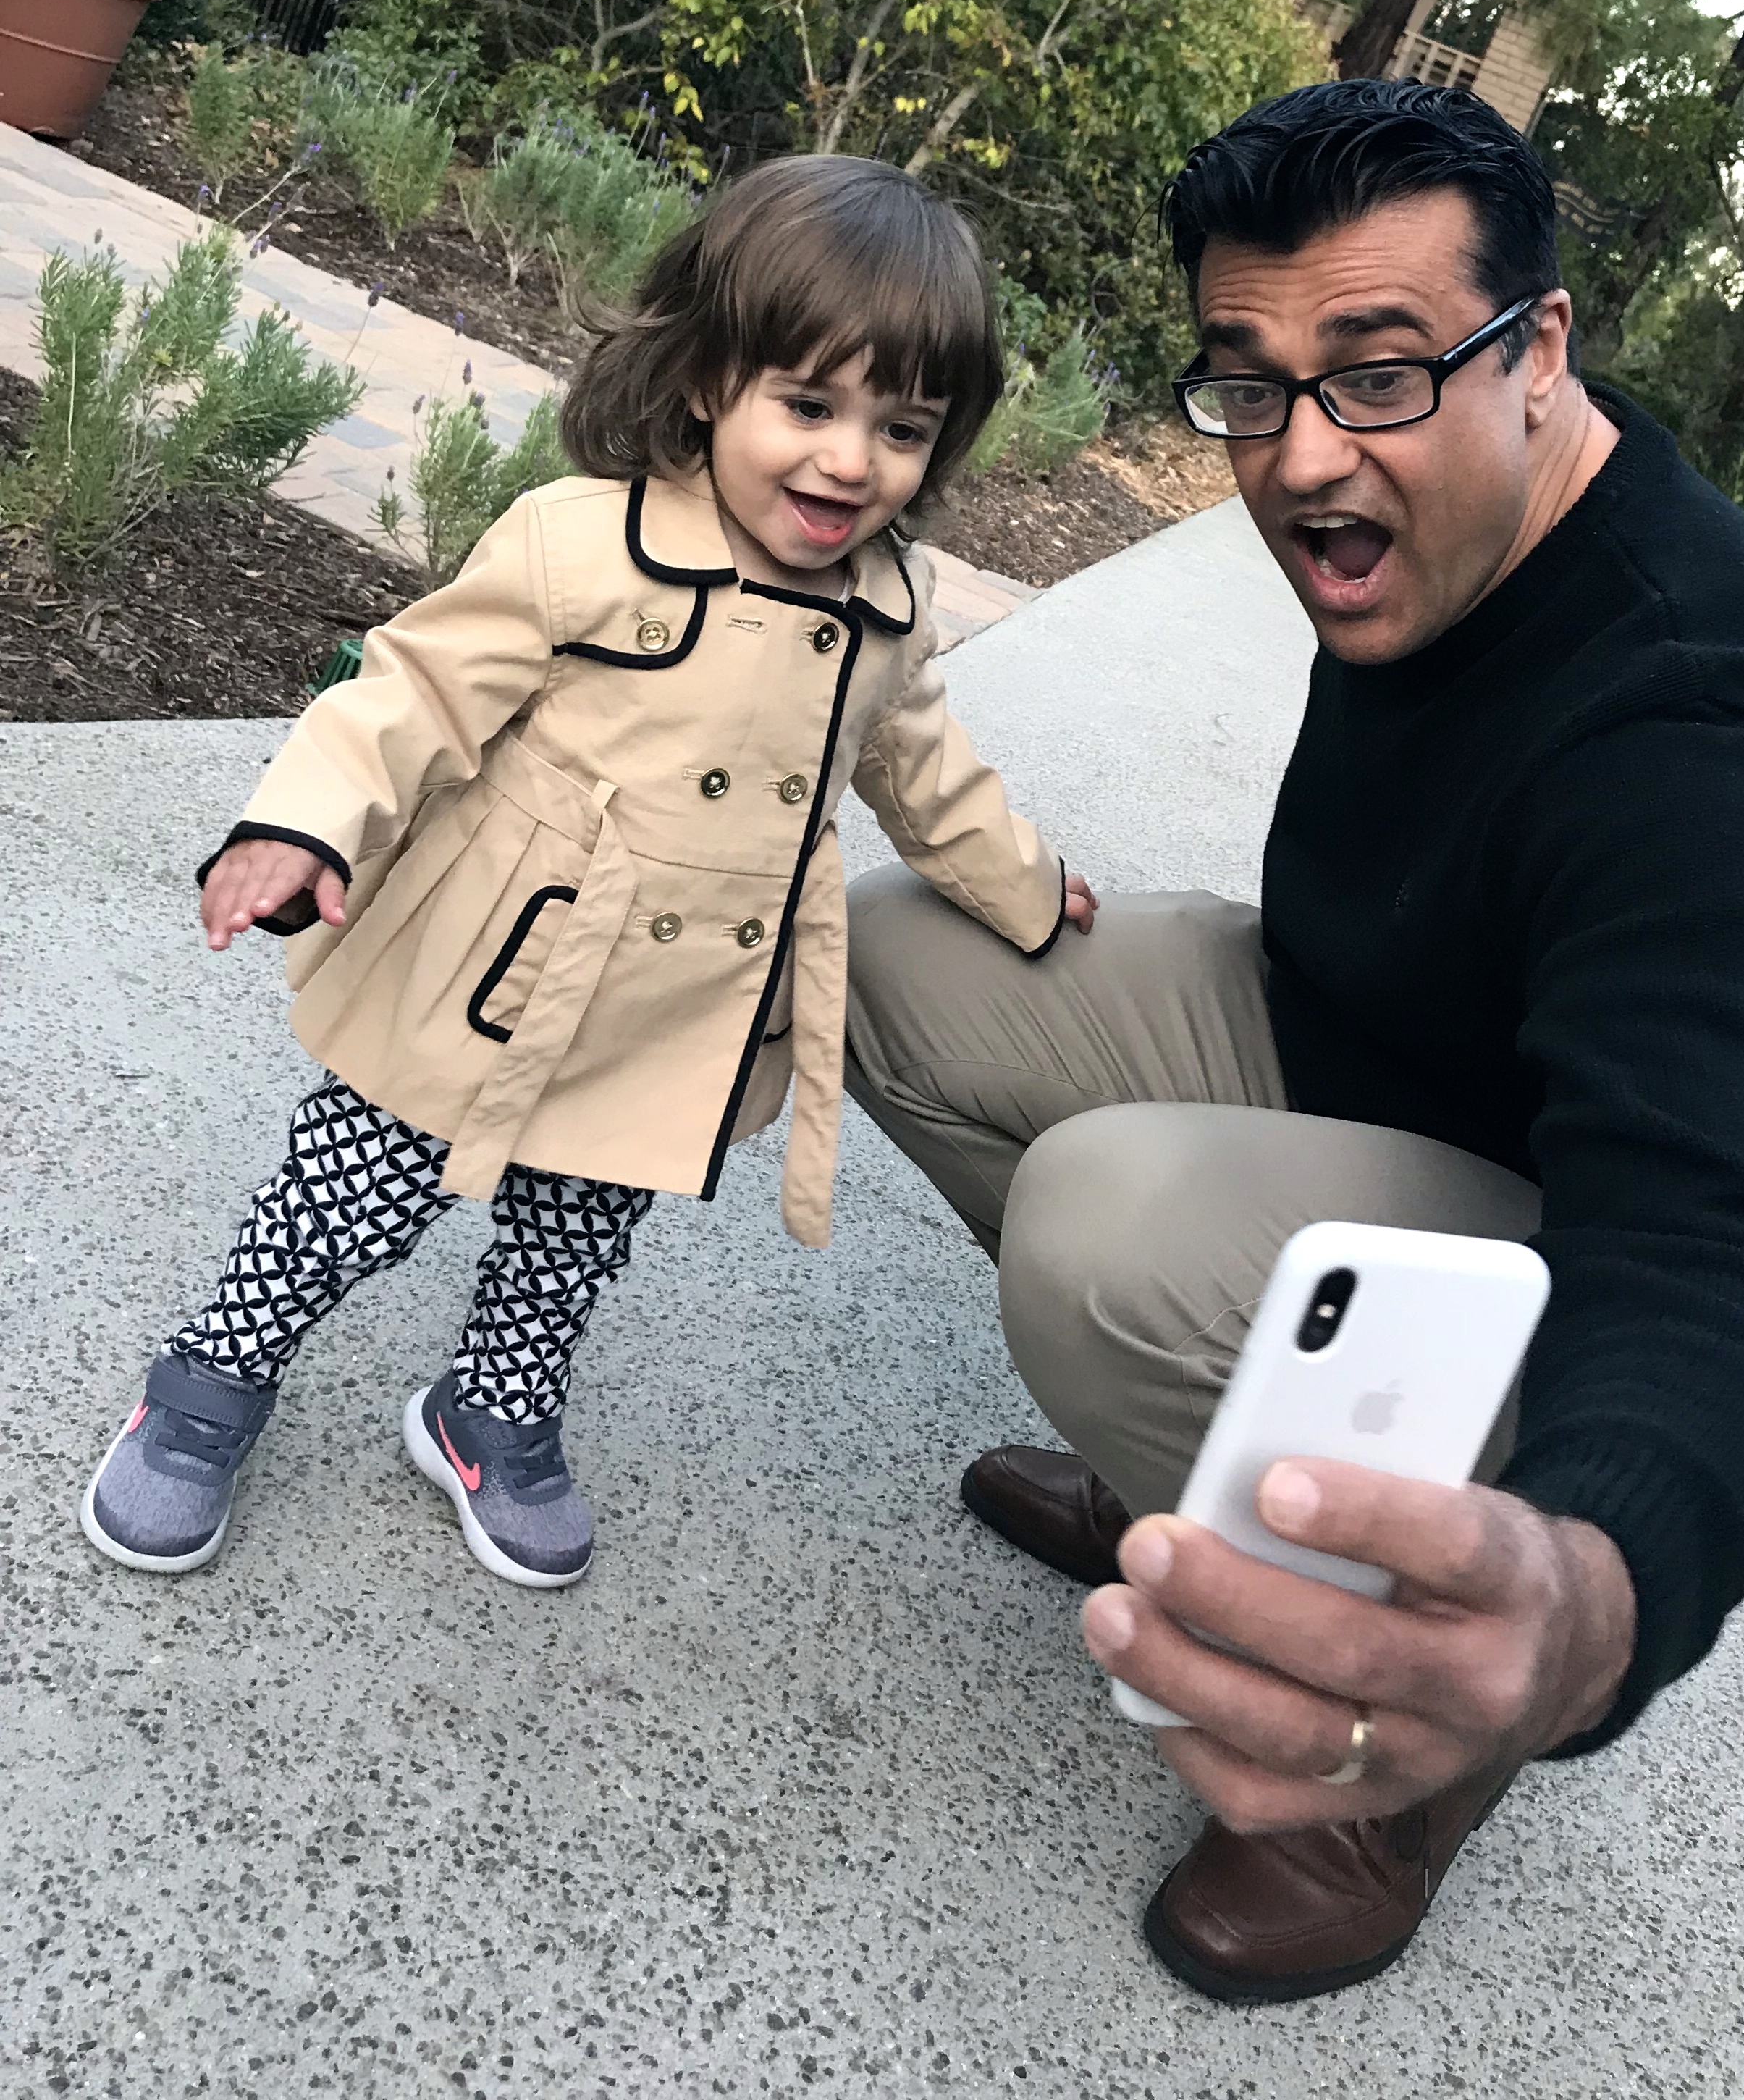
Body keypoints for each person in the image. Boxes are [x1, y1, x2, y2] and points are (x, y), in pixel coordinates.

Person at [843, 80, 1744, 2004]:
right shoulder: (1466, 495)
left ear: (1541, 351)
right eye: (1253, 384)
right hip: (1394, 1054)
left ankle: (1388, 1756)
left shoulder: (1703, 736)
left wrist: (1585, 1602)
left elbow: (1699, 1247)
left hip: (1627, 1238)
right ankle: (1212, 1482)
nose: (1306, 457)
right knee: (886, 964)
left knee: (1106, 1238)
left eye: (1379, 371)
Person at [81, 156, 1095, 1590]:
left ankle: (488, 1408)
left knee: (574, 1237)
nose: (850, 461)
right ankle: (211, 1376)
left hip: (675, 1017)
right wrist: (301, 826)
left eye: (903, 428)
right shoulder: (585, 543)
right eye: (809, 405)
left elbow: (927, 773)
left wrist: (1031, 891)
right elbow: (412, 694)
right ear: (711, 381)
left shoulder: (887, 609)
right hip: (495, 972)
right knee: (352, 1195)